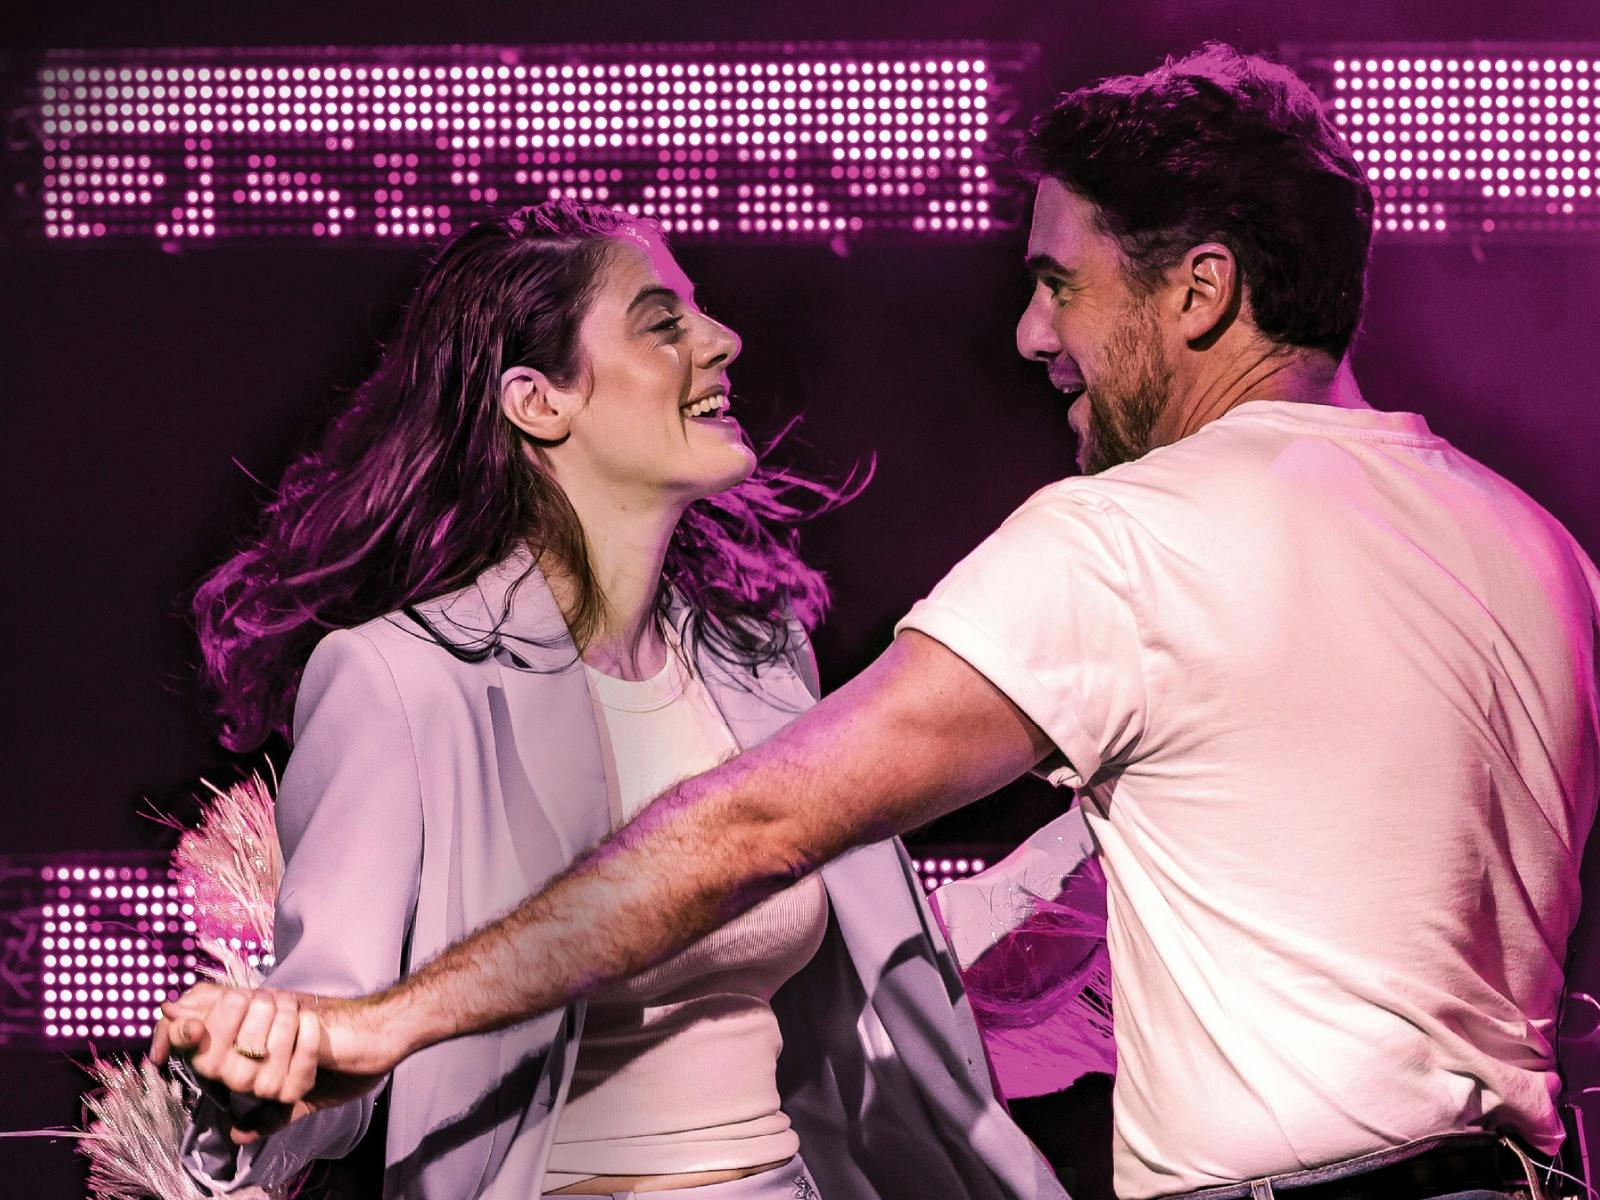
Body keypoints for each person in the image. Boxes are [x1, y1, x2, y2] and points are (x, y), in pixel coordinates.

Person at [160, 45, 1600, 1200]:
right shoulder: (1537, 546)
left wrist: (378, 1027)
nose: (1032, 335)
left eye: (1060, 283)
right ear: (532, 403)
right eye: (663, 319)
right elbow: (297, 1080)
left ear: (1205, 290)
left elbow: (772, 856)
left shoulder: (1104, 551)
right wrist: (262, 1057)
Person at [158, 198, 1064, 1200]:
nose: (724, 341)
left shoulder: (761, 661)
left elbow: (866, 986)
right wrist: (259, 1078)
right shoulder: (399, 682)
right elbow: (336, 1026)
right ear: (539, 403)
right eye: (661, 322)